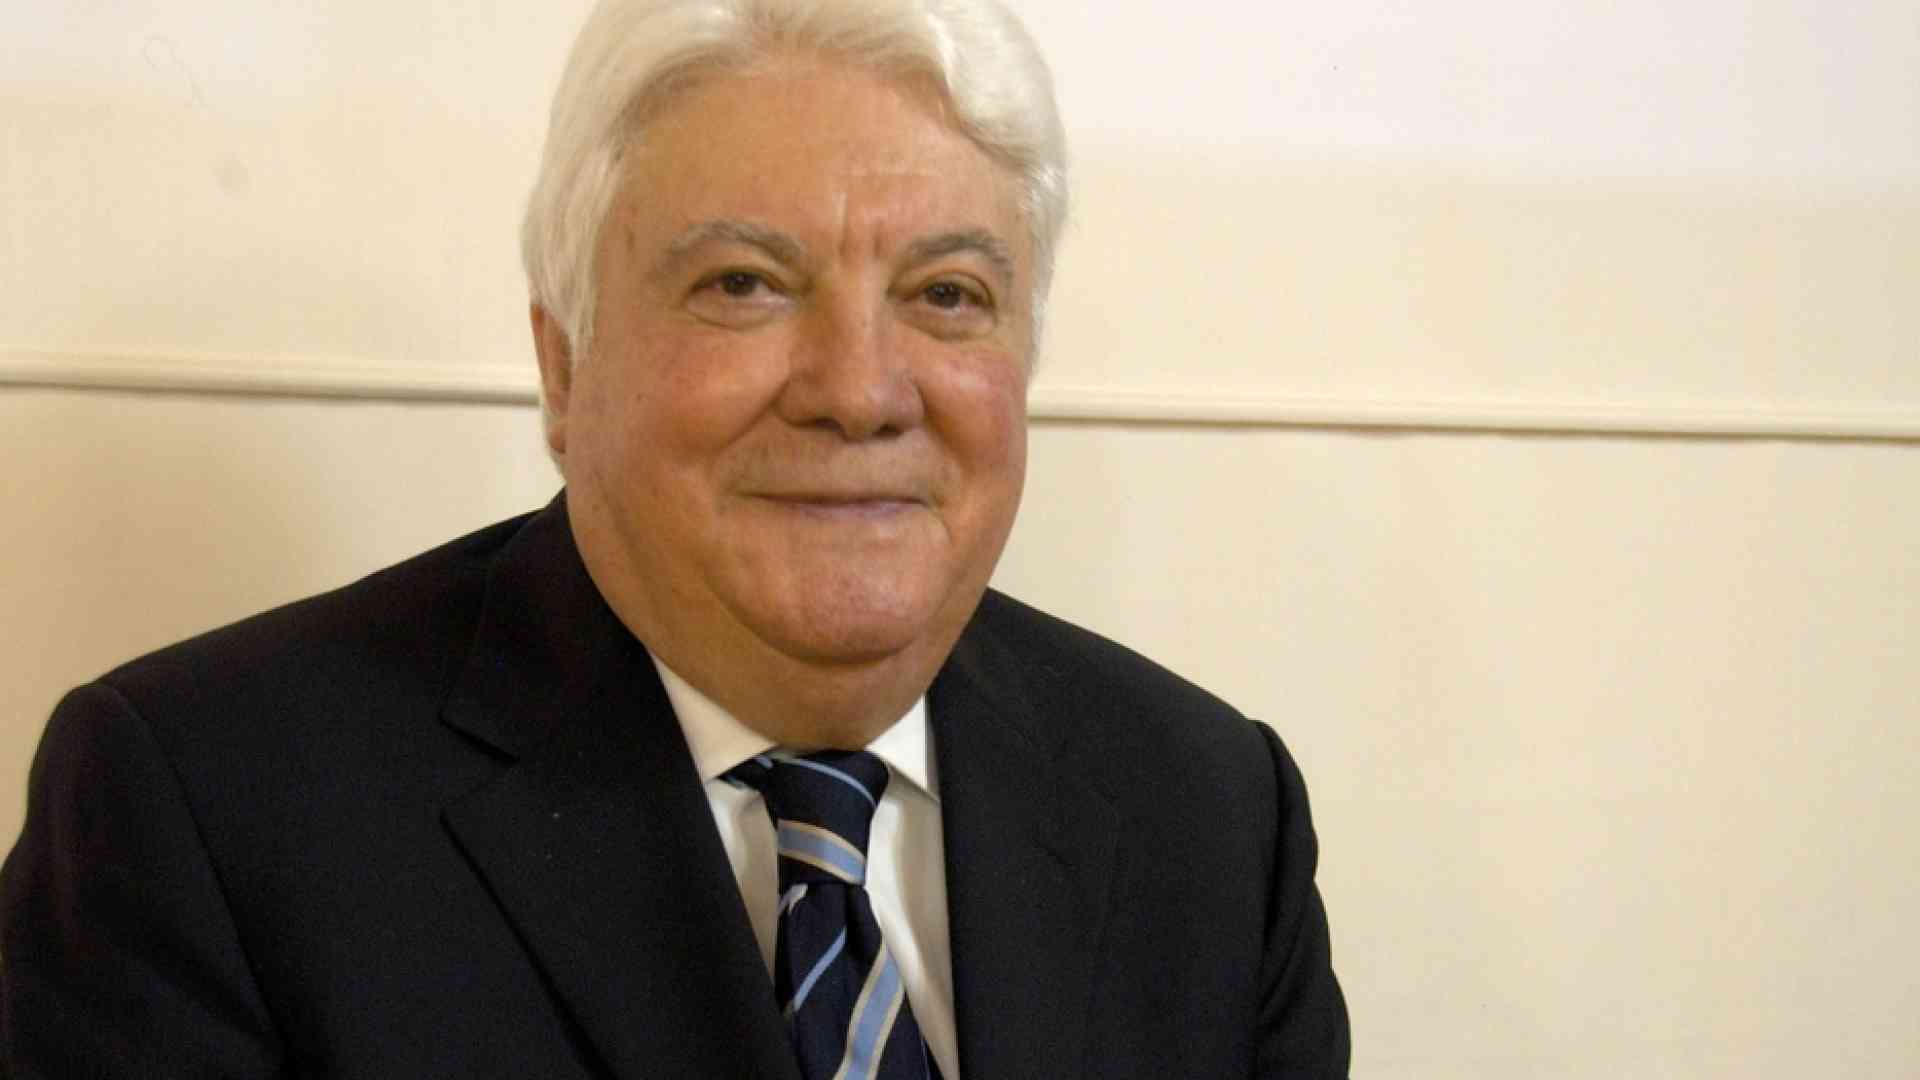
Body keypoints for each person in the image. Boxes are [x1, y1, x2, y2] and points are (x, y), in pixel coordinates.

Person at [0, 0, 1349, 1075]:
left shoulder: (1209, 815)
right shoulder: (203, 818)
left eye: (947, 294)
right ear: (565, 365)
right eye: (745, 284)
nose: (860, 390)